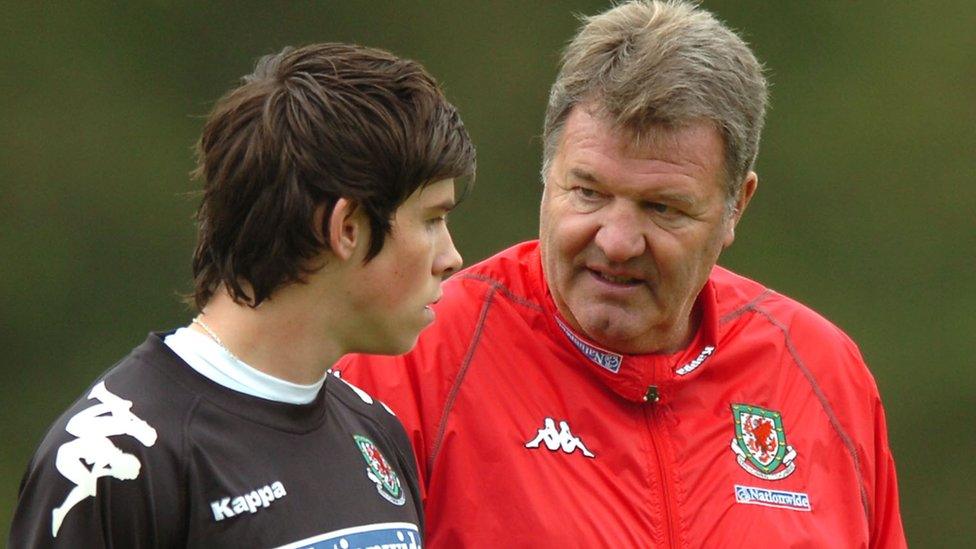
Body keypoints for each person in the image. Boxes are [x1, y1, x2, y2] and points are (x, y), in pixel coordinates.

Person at [336, 1, 907, 546]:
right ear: (547, 171)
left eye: (663, 208)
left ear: (737, 206)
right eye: (588, 192)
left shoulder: (822, 372)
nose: (616, 241)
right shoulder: (410, 358)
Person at [10, 42, 475, 547]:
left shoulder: (377, 431)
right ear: (346, 228)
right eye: (431, 219)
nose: (451, 257)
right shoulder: (118, 460)